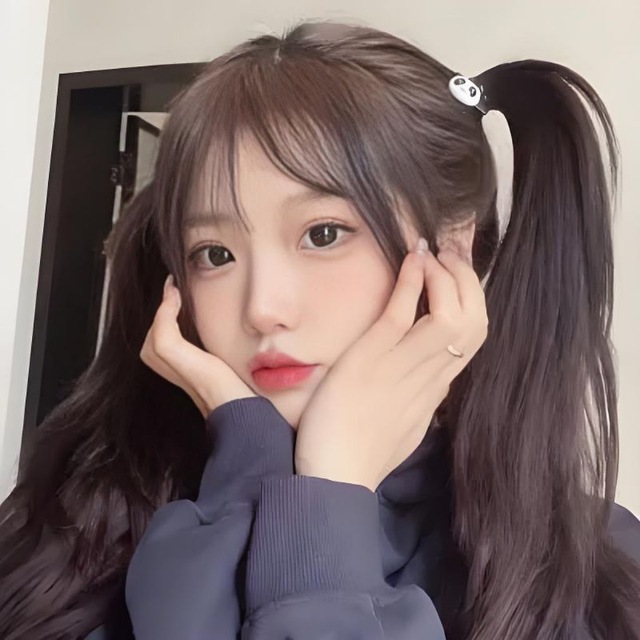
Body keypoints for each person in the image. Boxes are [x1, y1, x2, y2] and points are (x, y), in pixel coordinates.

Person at [1, 18, 639, 640]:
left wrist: (330, 492)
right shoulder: (72, 533)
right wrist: (254, 462)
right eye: (214, 254)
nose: (262, 309)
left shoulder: (598, 576)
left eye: (323, 234)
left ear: (454, 247)